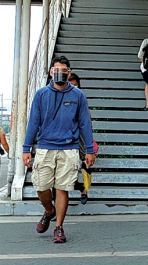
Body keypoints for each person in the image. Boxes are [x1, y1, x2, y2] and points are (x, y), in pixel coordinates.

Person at [23, 56, 96, 243]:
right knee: (41, 187)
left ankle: (59, 227)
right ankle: (49, 211)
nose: (60, 74)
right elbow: (33, 122)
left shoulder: (78, 95)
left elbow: (85, 123)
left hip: (69, 148)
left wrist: (90, 150)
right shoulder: (41, 95)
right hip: (45, 147)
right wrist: (26, 148)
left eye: (64, 71)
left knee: (62, 188)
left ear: (69, 72)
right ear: (50, 72)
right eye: (56, 70)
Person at [68, 73, 97, 204]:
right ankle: (81, 188)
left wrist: (89, 146)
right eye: (71, 85)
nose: (74, 88)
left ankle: (84, 188)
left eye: (75, 85)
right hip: (65, 141)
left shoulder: (81, 101)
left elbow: (87, 125)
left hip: (80, 141)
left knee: (83, 166)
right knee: (65, 174)